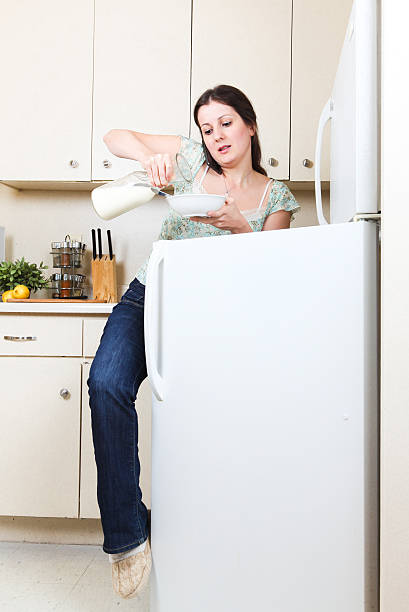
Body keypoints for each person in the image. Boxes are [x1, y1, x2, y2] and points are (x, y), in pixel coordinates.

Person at [87, 84, 301, 599]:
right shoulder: (189, 161)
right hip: (150, 295)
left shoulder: (277, 198)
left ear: (250, 124)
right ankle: (128, 536)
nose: (217, 135)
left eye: (226, 123)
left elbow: (278, 270)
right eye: (208, 128)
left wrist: (240, 228)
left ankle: (215, 543)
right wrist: (150, 159)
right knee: (104, 384)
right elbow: (116, 135)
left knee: (205, 431)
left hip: (213, 320)